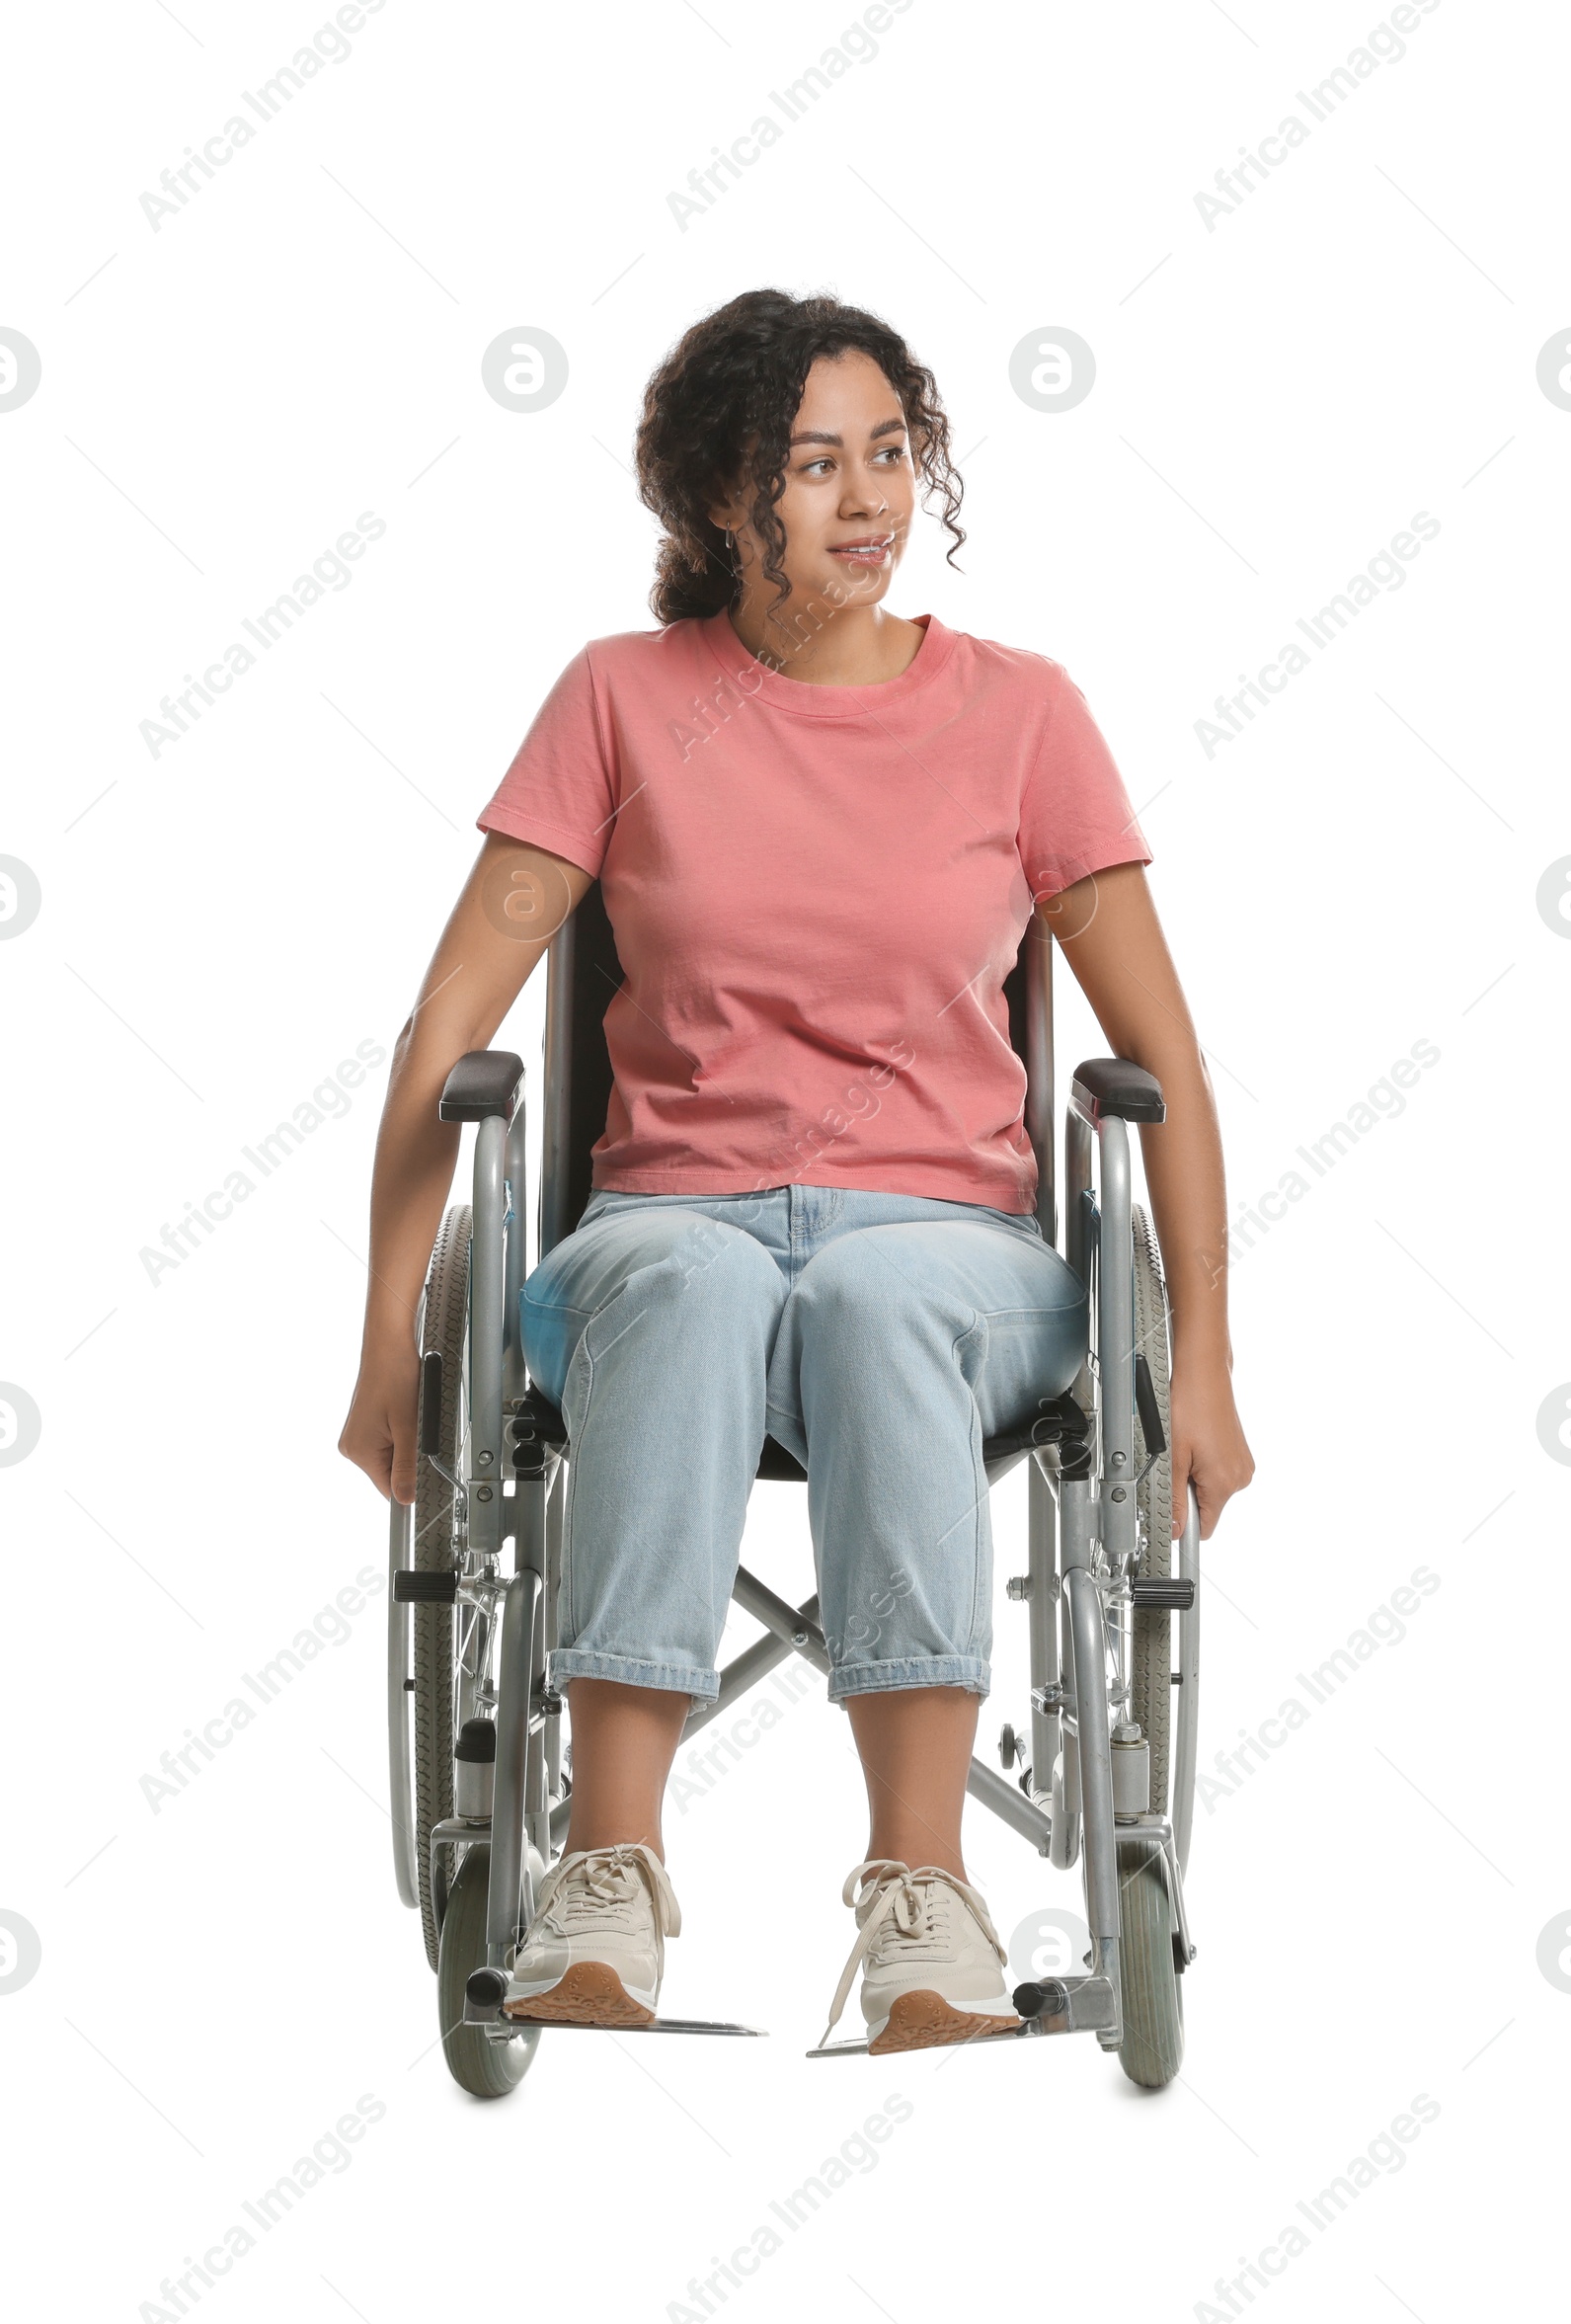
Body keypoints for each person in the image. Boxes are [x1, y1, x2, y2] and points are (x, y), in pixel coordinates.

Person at [339, 287, 1254, 2055]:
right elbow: (445, 1027)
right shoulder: (620, 699)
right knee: (679, 1281)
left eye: (890, 455)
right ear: (720, 502)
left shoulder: (1021, 715)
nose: (865, 500)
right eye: (810, 463)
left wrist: (1201, 1359)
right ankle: (601, 1870)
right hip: (662, 1228)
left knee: (881, 1286)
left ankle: (924, 1899)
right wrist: (391, 1337)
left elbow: (1167, 1062)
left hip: (950, 1248)